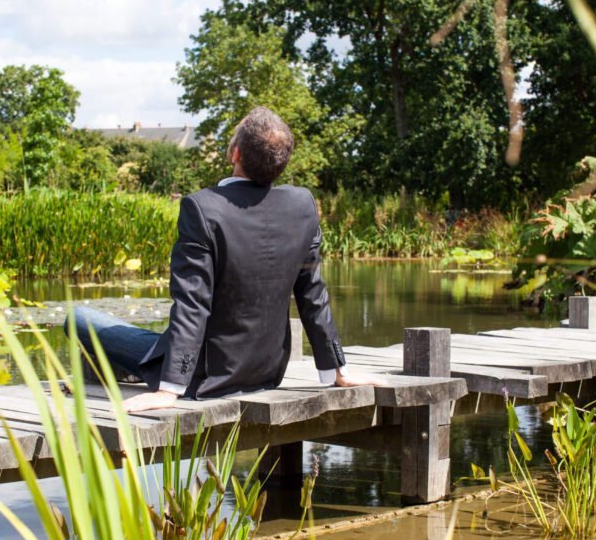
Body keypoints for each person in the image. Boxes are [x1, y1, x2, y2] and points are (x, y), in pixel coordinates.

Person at [70, 107, 384, 413]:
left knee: (77, 317)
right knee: (143, 343)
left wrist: (170, 388)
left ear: (235, 154)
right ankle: (130, 368)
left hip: (206, 376)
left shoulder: (203, 208)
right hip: (267, 372)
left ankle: (136, 370)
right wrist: (337, 369)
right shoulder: (301, 204)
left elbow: (193, 302)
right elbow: (313, 294)